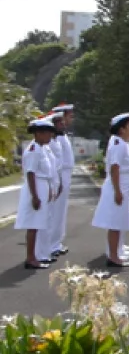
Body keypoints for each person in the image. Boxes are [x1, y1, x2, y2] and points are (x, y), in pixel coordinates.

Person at [92, 112, 129, 267]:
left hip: (123, 185)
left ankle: (116, 252)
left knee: (119, 221)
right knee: (115, 223)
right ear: (122, 130)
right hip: (119, 186)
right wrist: (118, 191)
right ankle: (113, 256)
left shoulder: (122, 143)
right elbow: (115, 168)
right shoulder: (119, 144)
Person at [18, 117, 59, 269]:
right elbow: (31, 173)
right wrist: (35, 196)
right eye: (47, 133)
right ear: (38, 134)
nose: (50, 136)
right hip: (35, 188)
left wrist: (48, 190)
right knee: (33, 225)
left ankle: (34, 256)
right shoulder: (33, 150)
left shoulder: (41, 148)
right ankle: (30, 258)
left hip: (42, 187)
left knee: (39, 224)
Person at [45, 104, 74, 258]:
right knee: (55, 212)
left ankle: (56, 242)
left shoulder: (62, 136)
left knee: (61, 212)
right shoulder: (55, 138)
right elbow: (57, 161)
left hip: (64, 174)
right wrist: (61, 180)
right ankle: (51, 244)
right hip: (59, 175)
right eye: (65, 118)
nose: (67, 121)